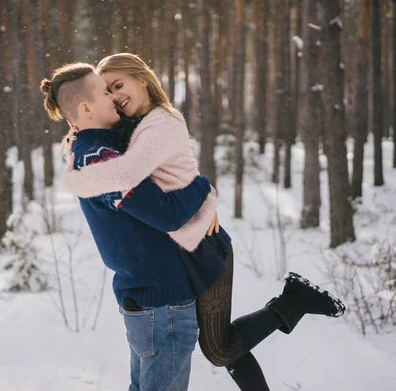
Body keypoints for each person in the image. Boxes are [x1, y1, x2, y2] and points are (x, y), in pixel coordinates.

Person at [61, 53, 346, 391]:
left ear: (143, 79)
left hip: (202, 248)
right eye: (107, 90)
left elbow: (126, 173)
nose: (114, 96)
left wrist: (77, 180)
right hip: (185, 246)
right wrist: (76, 136)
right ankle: (293, 302)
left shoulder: (159, 122)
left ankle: (293, 301)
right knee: (222, 347)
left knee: (220, 348)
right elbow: (103, 144)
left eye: (119, 85)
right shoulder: (132, 125)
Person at [41, 63, 215, 391]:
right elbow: (168, 216)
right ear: (85, 108)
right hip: (162, 303)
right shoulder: (101, 159)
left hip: (149, 298)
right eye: (105, 92)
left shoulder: (94, 150)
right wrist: (201, 185)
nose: (113, 97)